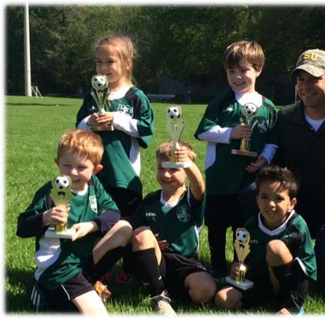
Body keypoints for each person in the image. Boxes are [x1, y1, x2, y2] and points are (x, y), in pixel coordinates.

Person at [251, 49, 325, 283]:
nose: (305, 86)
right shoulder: (287, 117)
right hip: (297, 205)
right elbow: (275, 172)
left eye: (314, 79)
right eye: (300, 79)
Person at [17, 129, 133, 318]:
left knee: (124, 229)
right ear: (57, 163)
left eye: (81, 167)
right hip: (60, 268)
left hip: (83, 261)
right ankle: (41, 289)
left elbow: (113, 213)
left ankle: (86, 284)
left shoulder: (94, 186)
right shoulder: (50, 191)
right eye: (67, 165)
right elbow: (22, 227)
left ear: (96, 170)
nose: (73, 172)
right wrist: (46, 217)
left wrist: (91, 225)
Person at [194, 40, 277, 280]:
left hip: (249, 180)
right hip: (220, 177)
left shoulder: (268, 107)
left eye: (244, 70)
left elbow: (273, 139)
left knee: (245, 226)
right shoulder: (221, 102)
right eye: (232, 71)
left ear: (258, 69)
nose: (237, 77)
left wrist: (265, 158)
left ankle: (243, 265)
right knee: (218, 225)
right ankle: (218, 267)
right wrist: (231, 133)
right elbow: (202, 131)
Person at [76, 34, 154, 282]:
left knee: (128, 222)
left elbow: (146, 129)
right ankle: (101, 268)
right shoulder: (92, 96)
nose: (103, 67)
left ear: (127, 63)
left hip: (125, 175)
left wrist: (117, 120)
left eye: (110, 61)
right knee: (98, 220)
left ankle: (130, 269)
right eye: (98, 62)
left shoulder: (135, 97)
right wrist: (89, 122)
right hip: (96, 174)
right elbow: (78, 130)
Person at [215, 166, 316, 319]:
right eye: (264, 197)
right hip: (259, 280)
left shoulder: (297, 226)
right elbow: (245, 259)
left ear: (292, 203)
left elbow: (305, 271)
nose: (271, 204)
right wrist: (238, 266)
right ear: (256, 200)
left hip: (291, 284)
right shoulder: (250, 225)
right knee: (222, 299)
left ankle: (288, 305)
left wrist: (293, 305)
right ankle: (264, 300)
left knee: (275, 247)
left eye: (279, 198)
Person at [130, 141, 216, 318]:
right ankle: (159, 295)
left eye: (174, 169)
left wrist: (186, 162)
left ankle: (174, 292)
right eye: (161, 168)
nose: (166, 174)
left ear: (186, 172)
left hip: (186, 263)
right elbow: (135, 231)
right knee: (142, 234)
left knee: (205, 291)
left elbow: (199, 183)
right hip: (158, 261)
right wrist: (151, 241)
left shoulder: (190, 200)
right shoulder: (150, 201)